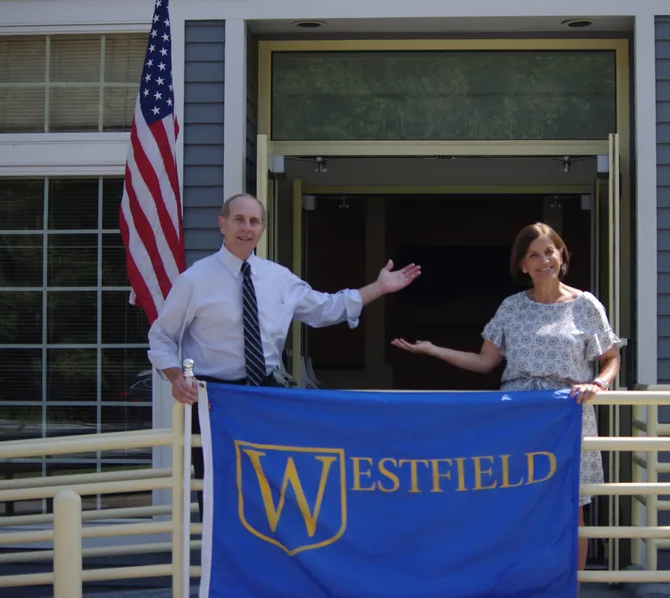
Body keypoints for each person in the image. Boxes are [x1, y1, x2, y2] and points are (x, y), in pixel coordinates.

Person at [148, 193, 421, 519]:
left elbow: (326, 309)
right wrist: (176, 378)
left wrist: (378, 288)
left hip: (265, 395)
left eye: (254, 221)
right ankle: (222, 567)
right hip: (213, 398)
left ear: (262, 228)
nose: (246, 228)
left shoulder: (278, 278)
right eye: (239, 219)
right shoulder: (195, 279)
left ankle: (266, 565)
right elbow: (162, 337)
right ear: (222, 224)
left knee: (271, 490)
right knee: (217, 492)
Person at [391, 221, 621, 577]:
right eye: (534, 255)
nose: (544, 260)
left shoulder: (585, 305)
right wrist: (434, 350)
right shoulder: (511, 308)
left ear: (561, 255)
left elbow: (610, 358)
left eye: (550, 251)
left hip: (569, 414)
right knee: (516, 505)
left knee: (570, 509)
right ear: (522, 265)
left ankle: (568, 590)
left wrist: (600, 385)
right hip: (518, 419)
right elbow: (486, 362)